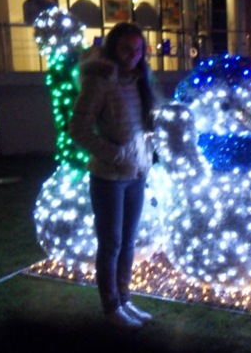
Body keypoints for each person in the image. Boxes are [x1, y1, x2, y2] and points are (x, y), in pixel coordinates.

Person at [69, 22, 161, 329]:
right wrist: (116, 154)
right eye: (126, 49)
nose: (133, 55)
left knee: (128, 242)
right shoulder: (100, 82)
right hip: (109, 177)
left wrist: (147, 154)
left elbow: (142, 127)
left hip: (136, 174)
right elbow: (78, 129)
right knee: (111, 244)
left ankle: (124, 298)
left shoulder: (139, 80)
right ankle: (111, 306)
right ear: (113, 48)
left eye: (138, 49)